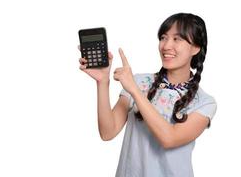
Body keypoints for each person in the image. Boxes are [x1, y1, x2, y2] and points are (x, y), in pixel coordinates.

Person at [79, 13, 217, 177]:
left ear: (196, 47)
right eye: (163, 38)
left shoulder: (205, 103)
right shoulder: (138, 81)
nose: (166, 46)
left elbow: (169, 138)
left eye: (177, 39)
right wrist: (103, 82)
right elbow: (108, 132)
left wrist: (135, 91)